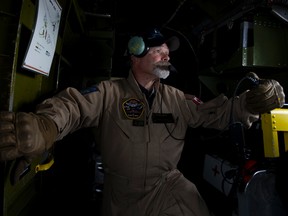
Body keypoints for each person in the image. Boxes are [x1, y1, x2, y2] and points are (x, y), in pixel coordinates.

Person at [0, 28, 285, 216]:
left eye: (167, 53)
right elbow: (73, 106)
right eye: (158, 51)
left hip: (168, 187)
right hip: (122, 194)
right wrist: (46, 126)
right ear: (135, 56)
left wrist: (247, 104)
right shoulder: (109, 92)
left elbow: (214, 114)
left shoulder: (176, 98)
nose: (167, 56)